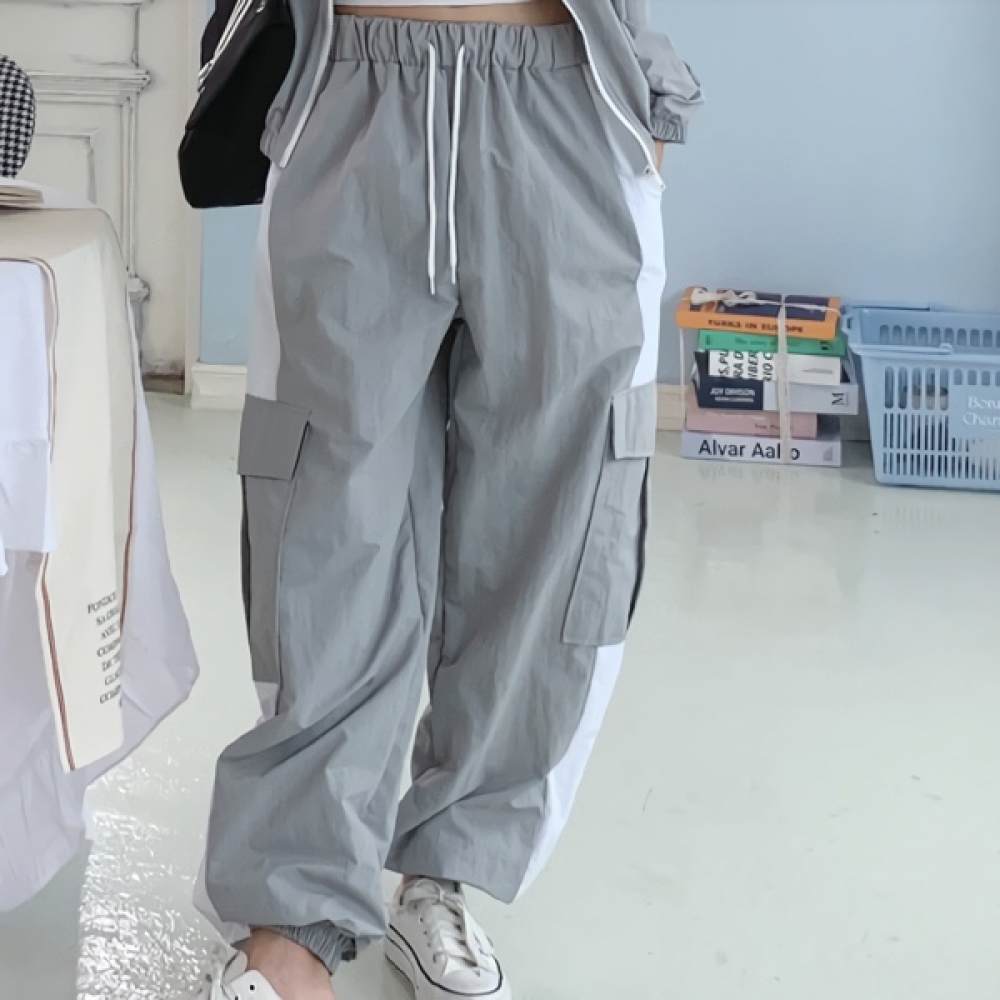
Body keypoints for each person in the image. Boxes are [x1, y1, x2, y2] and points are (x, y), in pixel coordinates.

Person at [197, 2, 701, 998]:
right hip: (355, 83)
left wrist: (646, 91)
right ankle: (294, 912)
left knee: (553, 523)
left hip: (565, 97)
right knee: (325, 520)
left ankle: (446, 869)